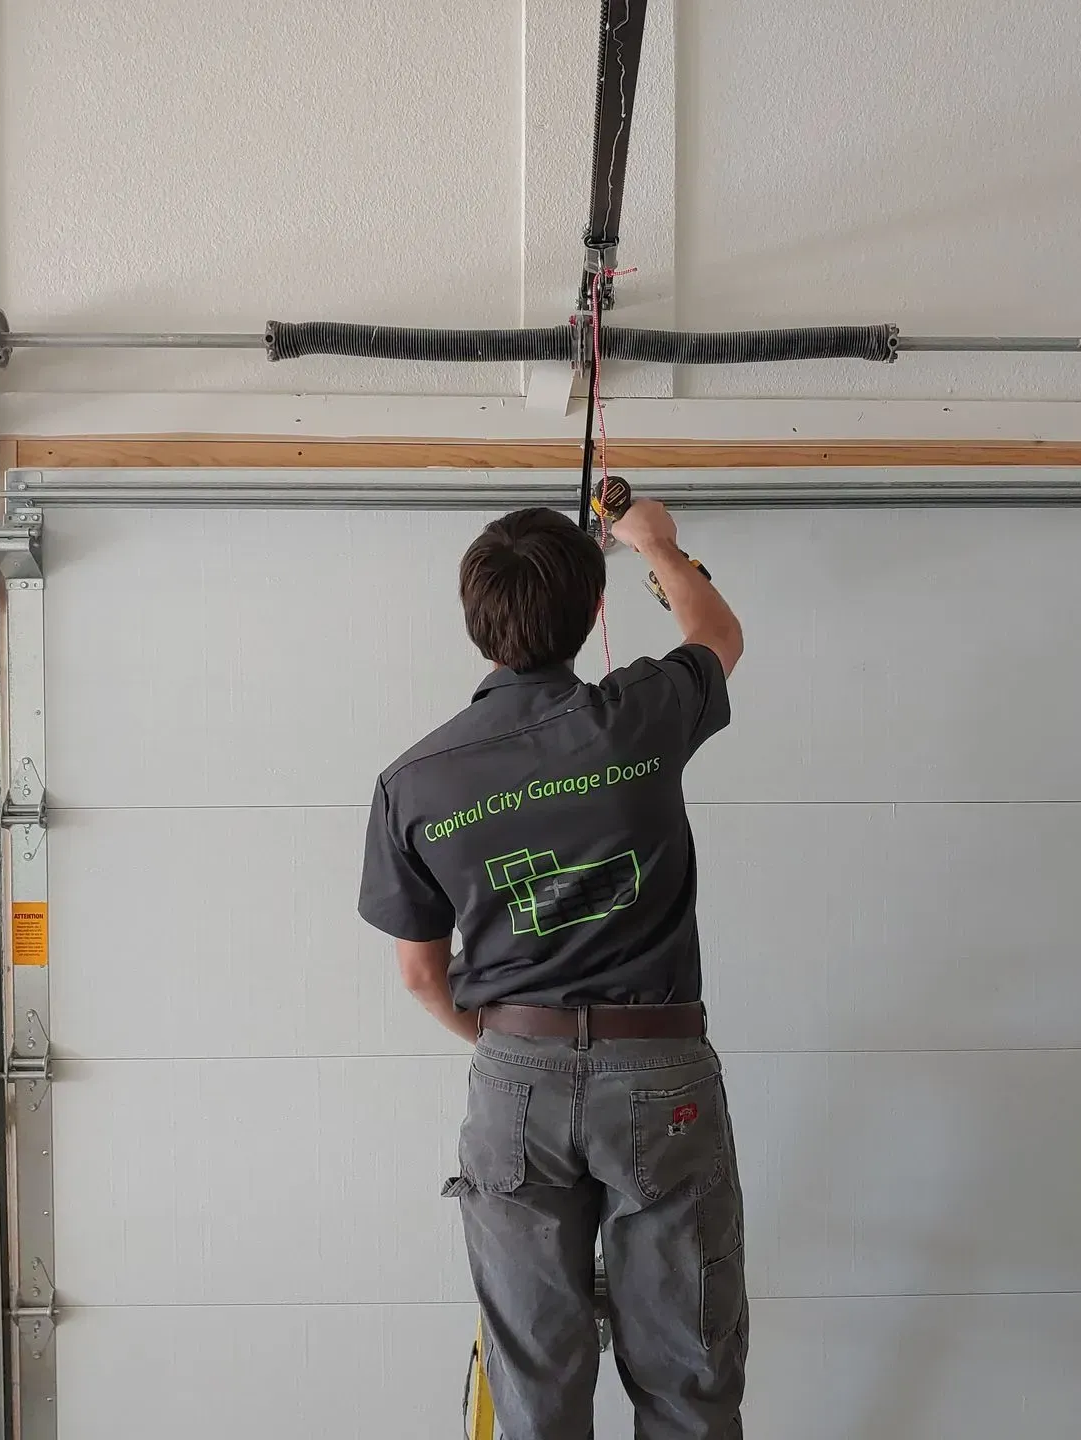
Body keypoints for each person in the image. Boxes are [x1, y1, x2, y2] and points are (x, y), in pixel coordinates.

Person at [358, 497, 747, 1439]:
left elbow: (420, 974)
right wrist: (653, 540)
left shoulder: (413, 783)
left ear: (474, 618)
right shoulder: (640, 714)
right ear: (594, 610)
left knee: (533, 1386)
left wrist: (502, 1042)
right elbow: (719, 633)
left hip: (515, 1081)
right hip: (661, 1075)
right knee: (687, 1376)